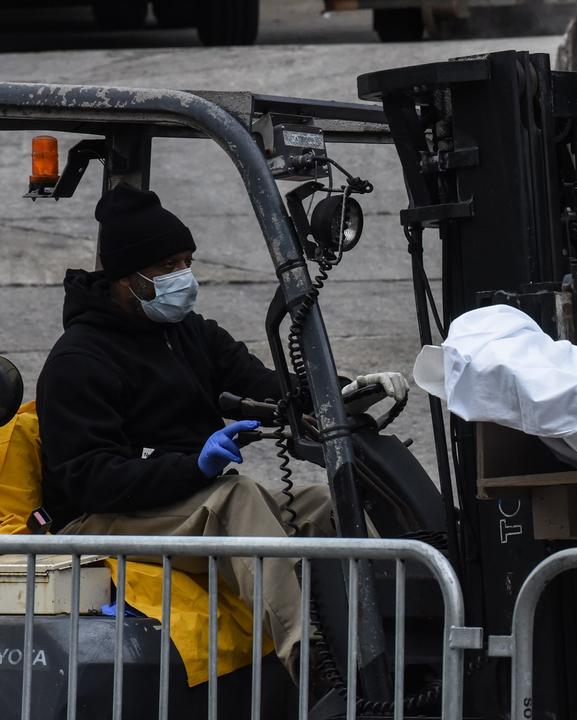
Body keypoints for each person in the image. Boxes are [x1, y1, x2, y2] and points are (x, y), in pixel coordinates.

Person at [36, 183, 409, 676]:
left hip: (181, 503)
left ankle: (399, 637)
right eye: (168, 266)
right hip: (104, 519)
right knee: (238, 496)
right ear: (128, 279)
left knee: (323, 503)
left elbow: (266, 384)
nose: (183, 277)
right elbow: (90, 479)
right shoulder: (79, 362)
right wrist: (192, 466)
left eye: (186, 261)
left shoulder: (190, 334)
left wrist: (343, 392)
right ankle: (313, 659)